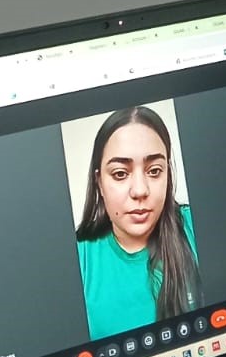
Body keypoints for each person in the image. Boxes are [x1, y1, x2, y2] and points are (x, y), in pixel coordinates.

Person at [75, 105, 202, 341]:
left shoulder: (196, 226)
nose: (140, 191)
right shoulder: (78, 258)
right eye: (120, 174)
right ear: (99, 183)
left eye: (154, 171)